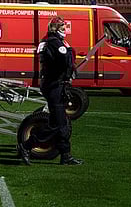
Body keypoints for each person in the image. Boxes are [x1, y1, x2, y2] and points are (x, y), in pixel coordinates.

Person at [18, 16, 83, 165]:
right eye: (61, 28)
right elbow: (65, 60)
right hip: (54, 85)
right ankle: (26, 145)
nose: (64, 30)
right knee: (58, 124)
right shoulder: (54, 42)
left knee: (61, 123)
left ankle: (65, 155)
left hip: (53, 84)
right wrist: (70, 53)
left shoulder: (49, 41)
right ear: (54, 29)